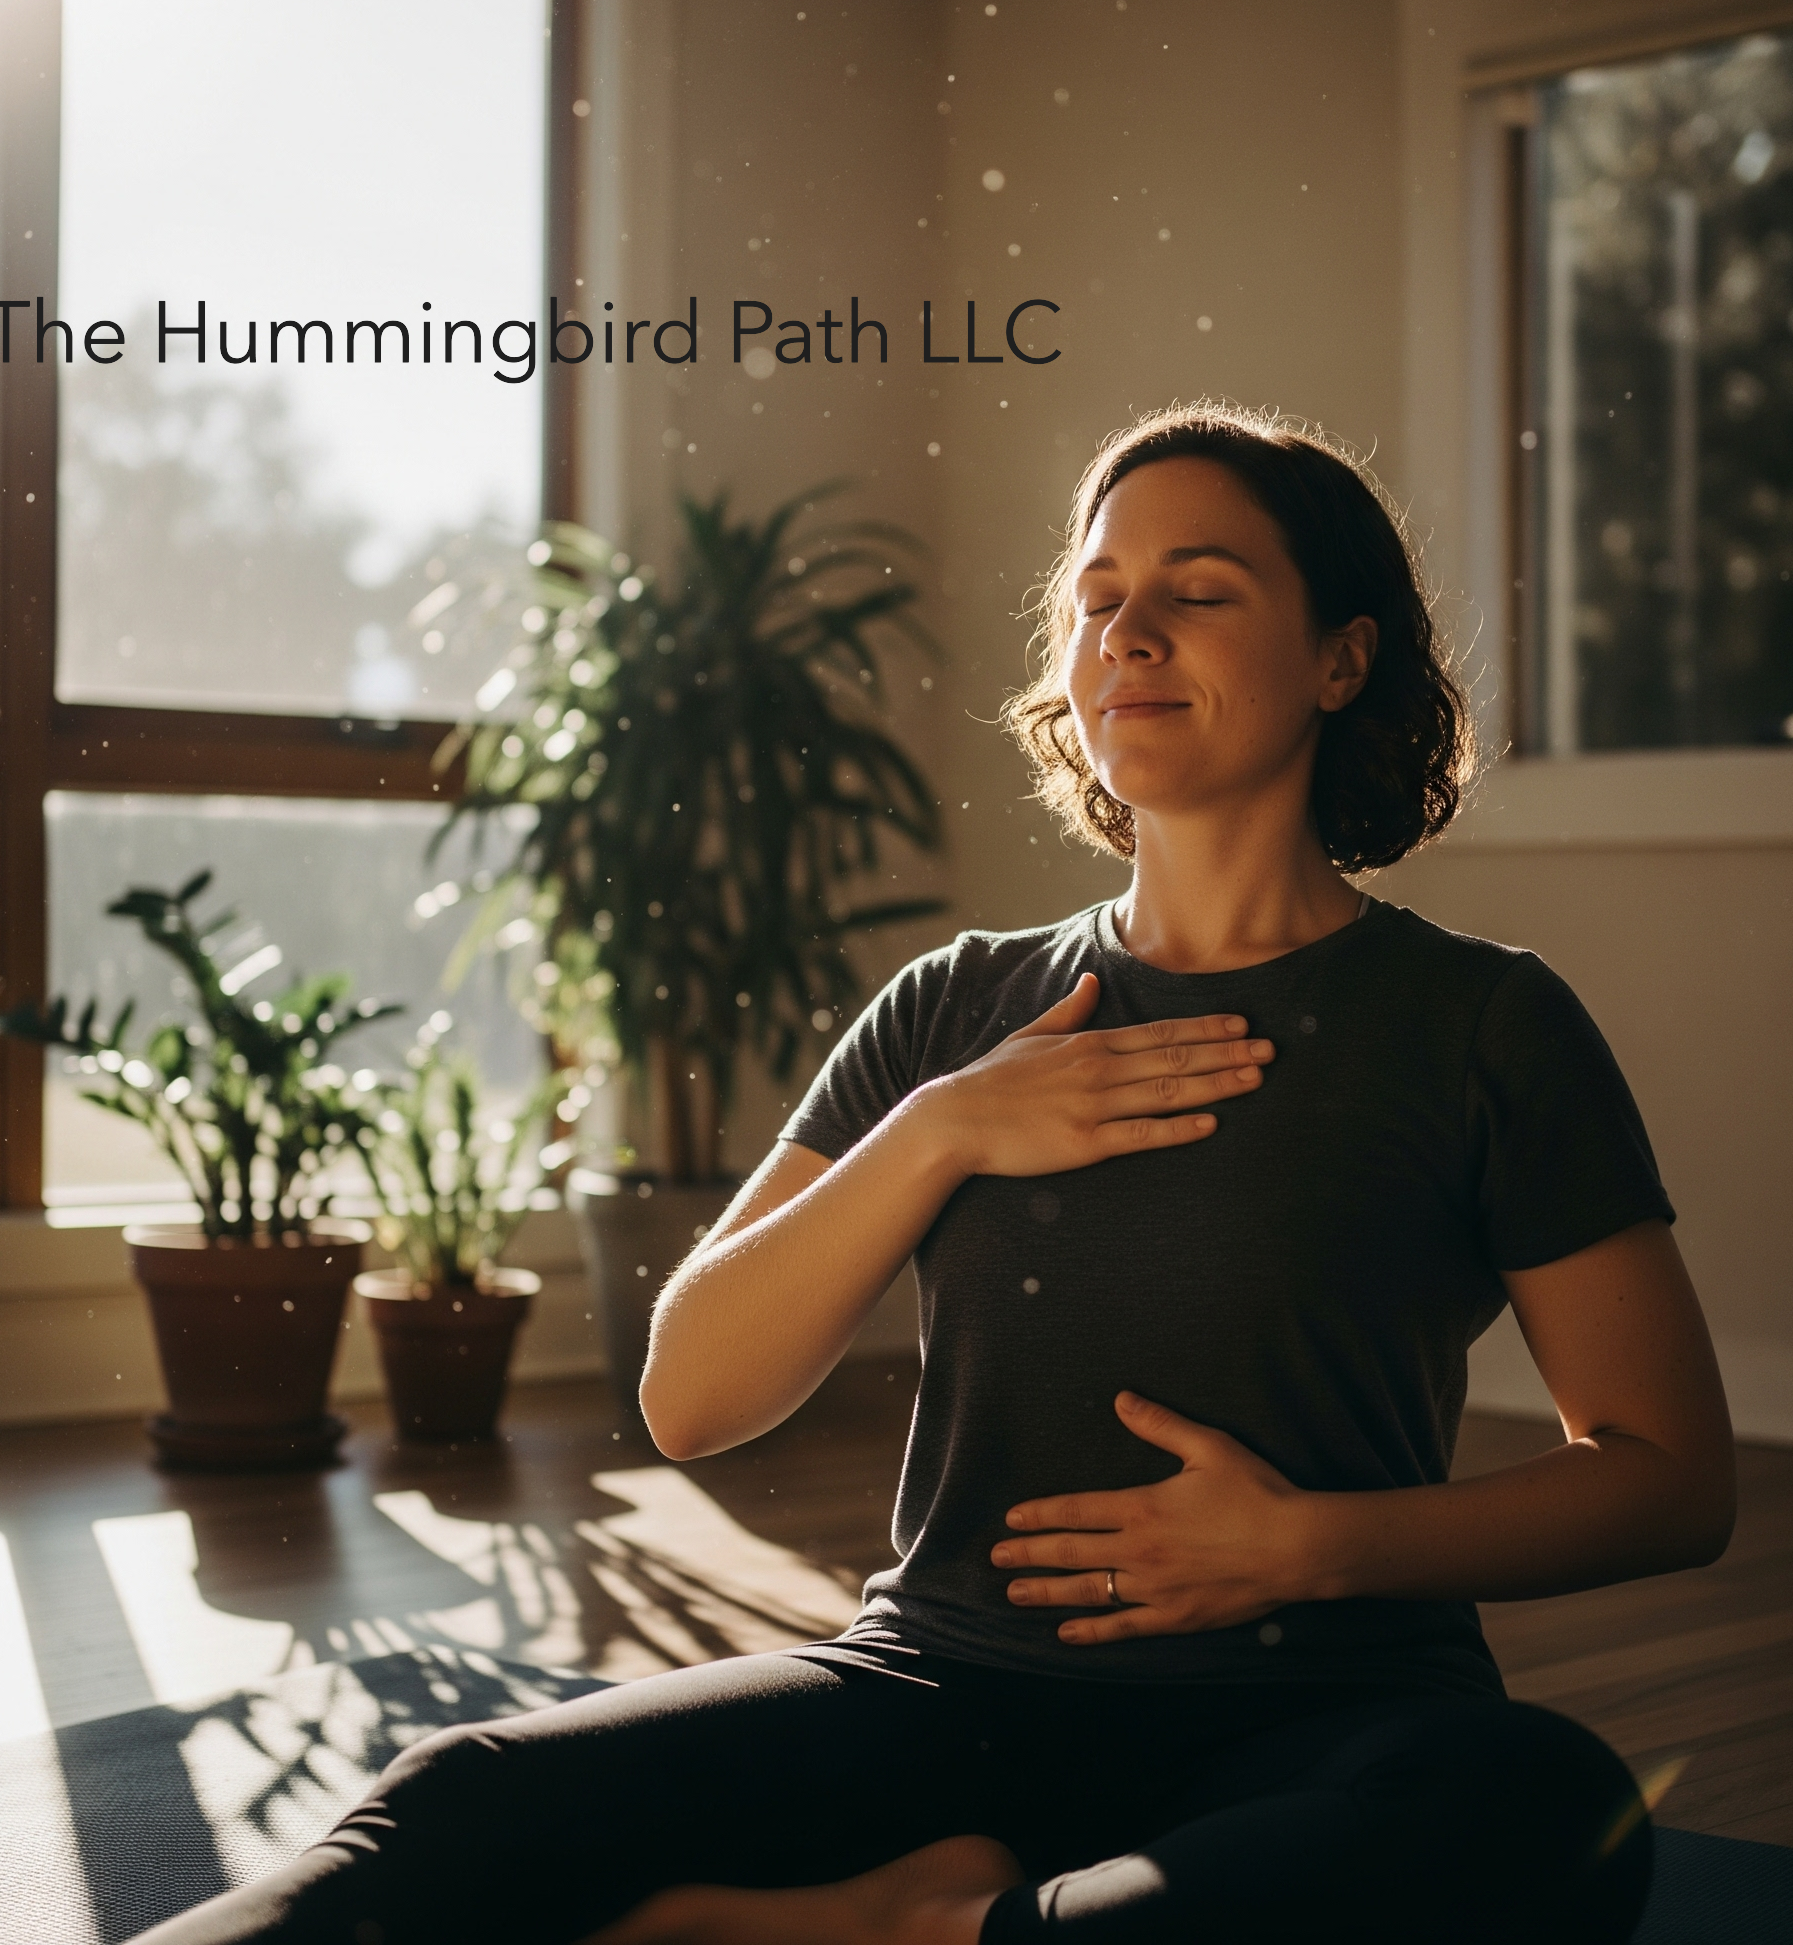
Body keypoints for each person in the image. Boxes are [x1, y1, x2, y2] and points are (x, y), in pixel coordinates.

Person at [136, 404, 1735, 1945]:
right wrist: (946, 1129)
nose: (1129, 631)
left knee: (1538, 1811)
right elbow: (691, 1396)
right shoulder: (957, 1010)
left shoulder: (1481, 1025)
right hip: (941, 1693)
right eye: (1100, 597)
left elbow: (1671, 1477)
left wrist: (1312, 1546)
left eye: (1199, 592)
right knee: (464, 1799)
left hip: (1332, 1717)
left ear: (1343, 657)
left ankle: (923, 1926)